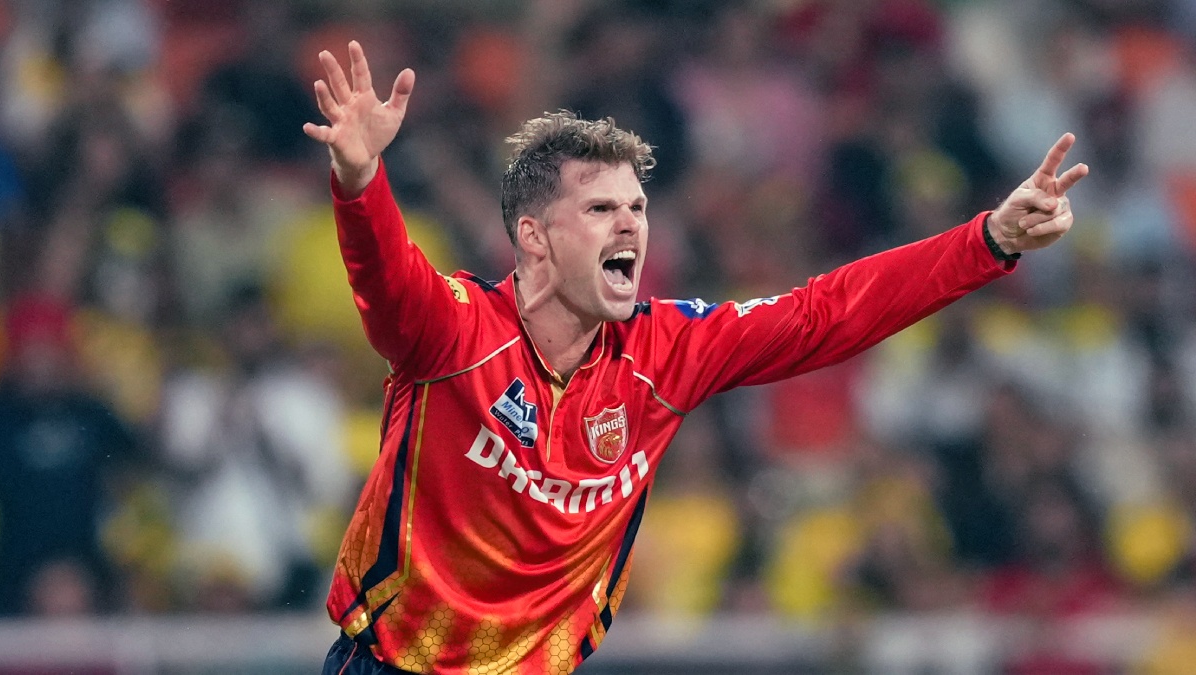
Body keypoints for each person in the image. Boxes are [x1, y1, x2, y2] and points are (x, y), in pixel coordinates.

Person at [302, 41, 1088, 675]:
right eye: (601, 208)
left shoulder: (667, 347)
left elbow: (826, 312)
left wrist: (989, 239)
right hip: (391, 663)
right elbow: (384, 276)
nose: (631, 227)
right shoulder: (454, 329)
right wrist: (359, 177)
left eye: (638, 208)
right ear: (534, 236)